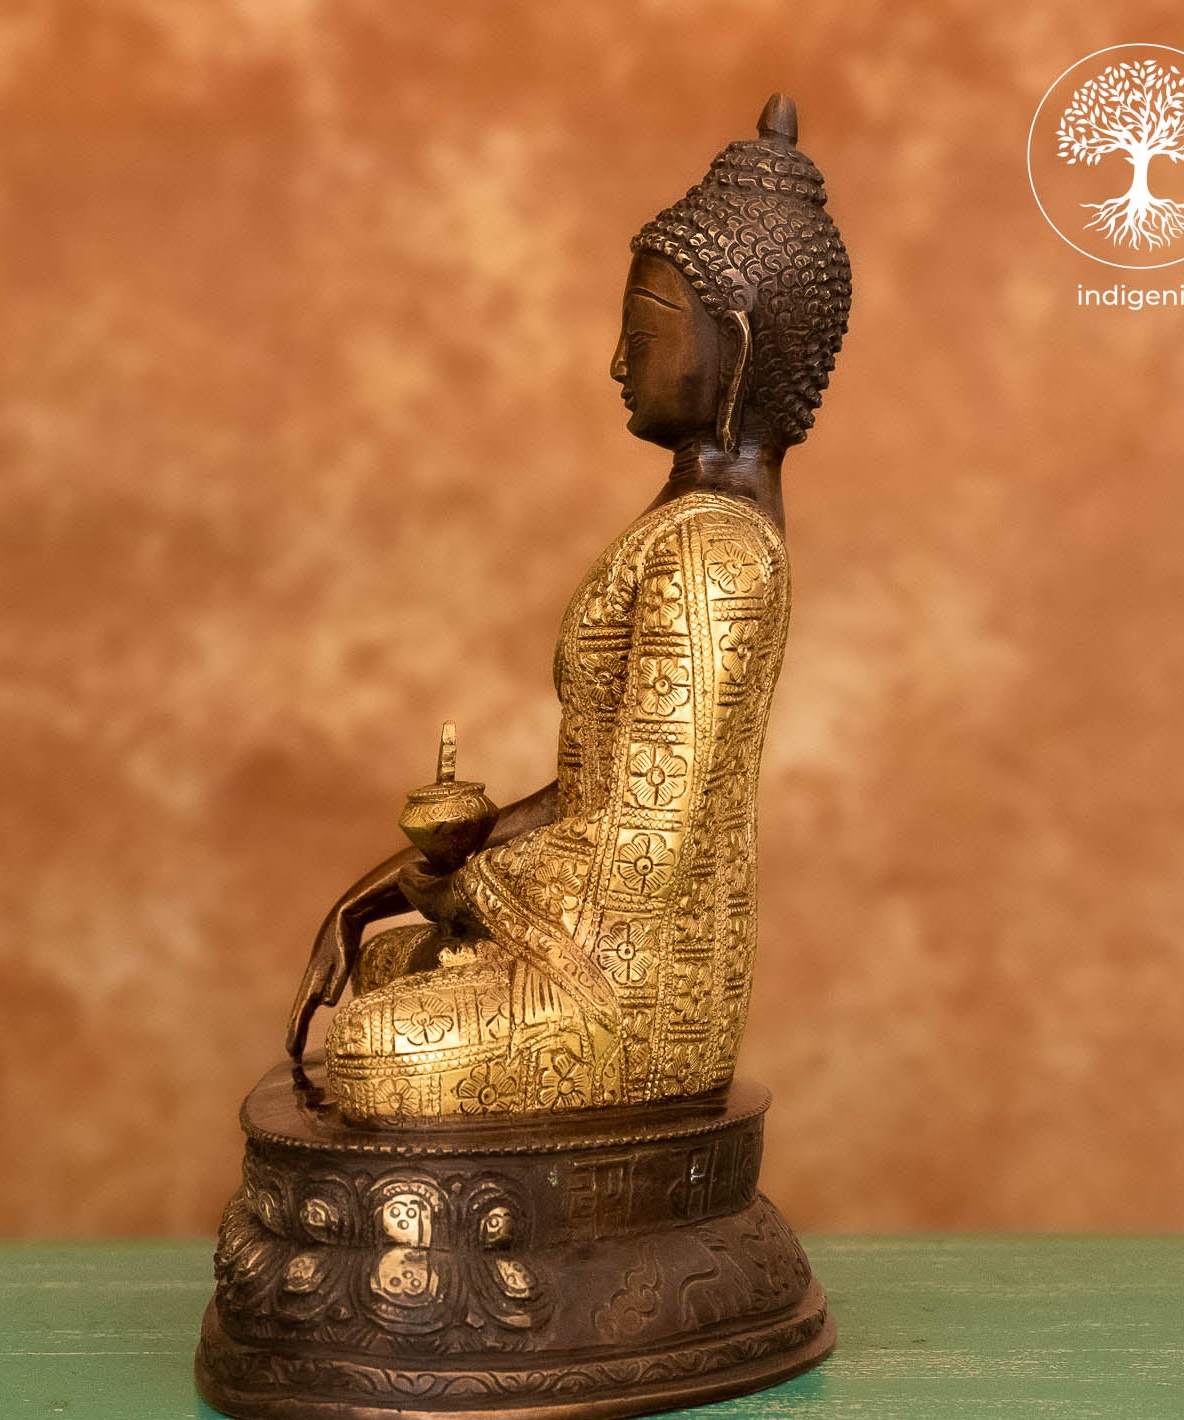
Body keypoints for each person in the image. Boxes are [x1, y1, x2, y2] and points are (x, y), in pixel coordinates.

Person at [286, 94, 851, 1123]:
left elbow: (647, 850)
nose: (616, 362)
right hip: (586, 936)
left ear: (730, 347)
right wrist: (386, 887)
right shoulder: (681, 529)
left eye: (643, 331)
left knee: (374, 1050)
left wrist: (467, 892)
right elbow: (601, 794)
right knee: (384, 977)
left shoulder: (716, 556)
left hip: (633, 989)